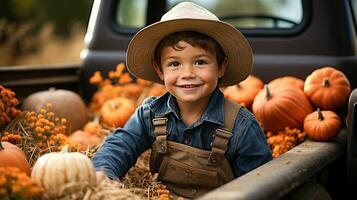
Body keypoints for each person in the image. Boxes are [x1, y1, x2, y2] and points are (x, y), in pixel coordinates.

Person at [92, 2, 272, 198]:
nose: (187, 73)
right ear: (160, 70)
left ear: (221, 67)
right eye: (174, 64)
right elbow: (121, 144)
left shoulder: (241, 127)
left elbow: (261, 184)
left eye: (200, 62)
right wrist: (104, 171)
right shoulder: (151, 114)